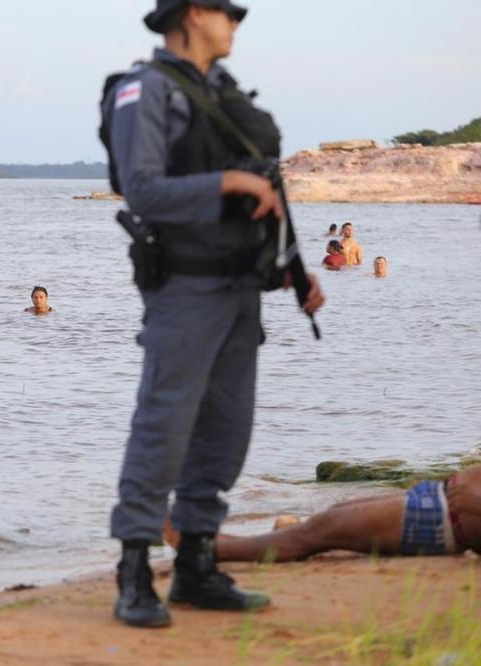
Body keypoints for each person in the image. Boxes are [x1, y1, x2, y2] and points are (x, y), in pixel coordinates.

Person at [100, 0, 325, 628]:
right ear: (195, 14)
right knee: (164, 425)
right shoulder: (144, 92)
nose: (236, 25)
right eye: (230, 13)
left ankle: (197, 563)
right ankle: (135, 570)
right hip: (184, 289)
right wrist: (227, 183)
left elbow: (267, 185)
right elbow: (140, 190)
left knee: (228, 427)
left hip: (241, 286)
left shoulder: (222, 93)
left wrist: (296, 270)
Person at [166, 465, 481, 561]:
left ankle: (206, 549)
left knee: (318, 531)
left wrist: (472, 502)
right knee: (332, 515)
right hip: (439, 500)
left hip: (445, 518)